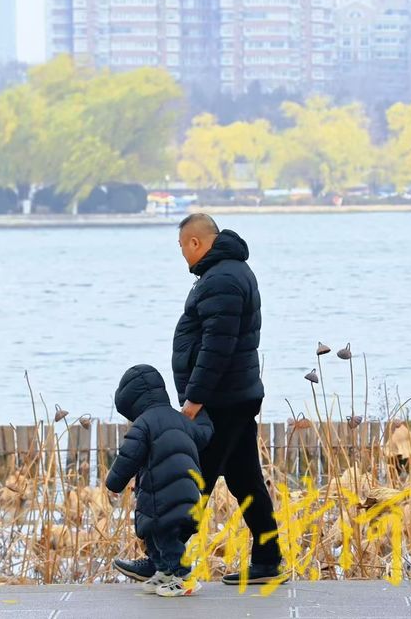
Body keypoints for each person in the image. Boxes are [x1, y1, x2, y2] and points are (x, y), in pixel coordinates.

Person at [116, 213, 285, 586]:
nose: (182, 255)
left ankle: (163, 560)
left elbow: (217, 347)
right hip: (236, 395)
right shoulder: (230, 272)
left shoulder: (221, 279)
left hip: (220, 401)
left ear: (195, 242)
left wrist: (195, 399)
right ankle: (268, 559)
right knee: (246, 481)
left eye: (182, 247)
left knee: (191, 481)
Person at [105, 364, 214, 597]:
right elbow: (204, 433)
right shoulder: (181, 419)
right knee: (156, 536)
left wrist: (114, 482)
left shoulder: (143, 424)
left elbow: (128, 457)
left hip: (161, 496)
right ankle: (165, 572)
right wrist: (202, 411)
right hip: (188, 492)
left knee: (166, 538)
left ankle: (184, 578)